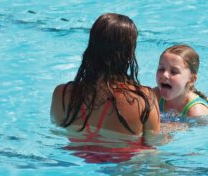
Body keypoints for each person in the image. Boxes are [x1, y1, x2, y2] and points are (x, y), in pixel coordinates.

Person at [50, 13, 160, 163]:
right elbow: (155, 142)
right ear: (129, 54)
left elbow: (57, 133)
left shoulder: (62, 95)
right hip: (126, 166)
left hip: (77, 160)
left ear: (91, 47)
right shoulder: (143, 99)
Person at [154, 44, 208, 118]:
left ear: (191, 79)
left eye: (174, 72)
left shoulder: (196, 111)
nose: (164, 75)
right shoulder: (155, 96)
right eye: (161, 69)